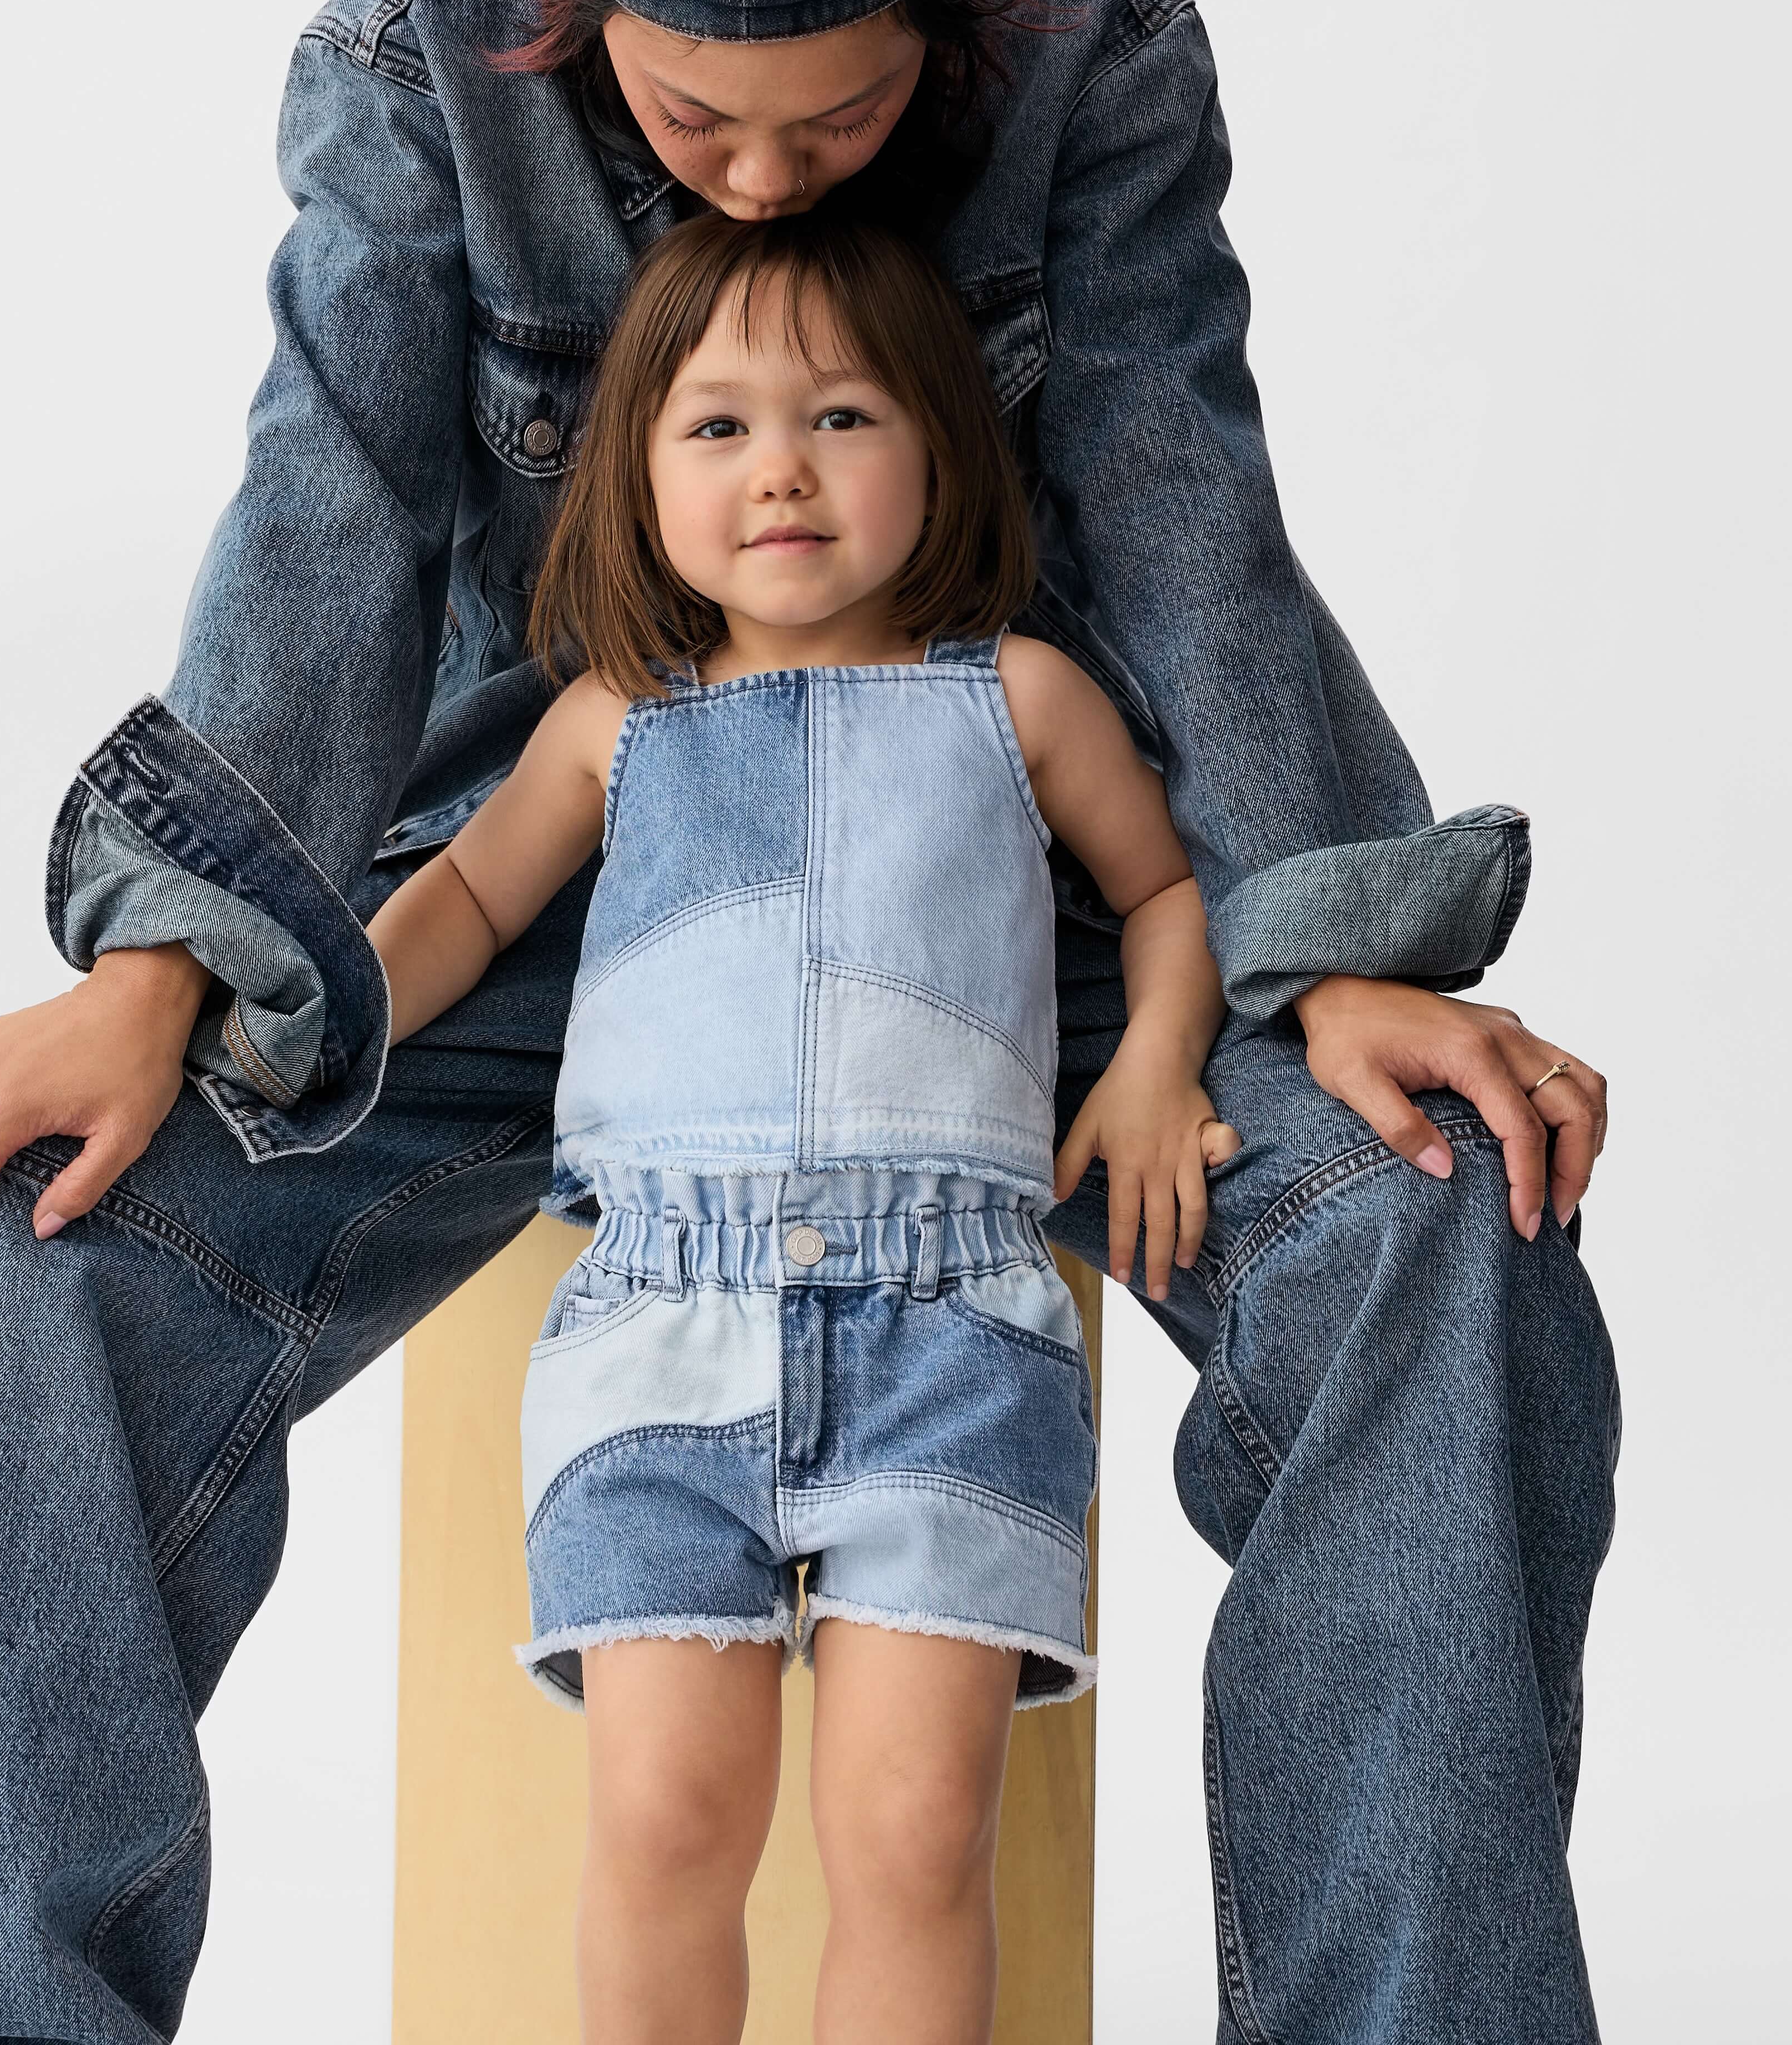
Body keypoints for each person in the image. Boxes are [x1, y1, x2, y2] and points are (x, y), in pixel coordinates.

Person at [0, 0, 1618, 2043]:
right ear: (572, 13)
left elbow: (1189, 501)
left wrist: (1331, 941)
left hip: (1018, 913)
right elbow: (325, 514)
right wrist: (164, 974)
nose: (762, 182)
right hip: (532, 907)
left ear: (953, 10)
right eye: (695, 122)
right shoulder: (422, 59)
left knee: (1435, 1213)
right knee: (44, 1238)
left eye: (838, 119)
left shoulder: (1095, 59)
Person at [370, 206, 1236, 2042]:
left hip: (952, 1336)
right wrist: (317, 1012)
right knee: (666, 1821)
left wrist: (1157, 1060)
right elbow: (465, 900)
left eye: (842, 416)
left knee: (914, 1837)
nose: (782, 469)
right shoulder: (617, 718)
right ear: (639, 470)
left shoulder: (1020, 699)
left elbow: (1166, 895)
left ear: (942, 443)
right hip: (659, 1339)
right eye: (720, 426)